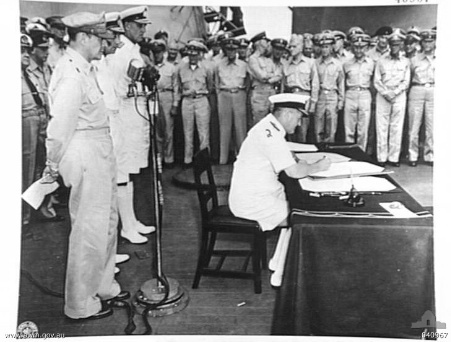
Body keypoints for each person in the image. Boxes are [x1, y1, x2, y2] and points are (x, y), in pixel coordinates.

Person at [43, 12, 128, 320]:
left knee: (106, 222)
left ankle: (103, 286)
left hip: (99, 148)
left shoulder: (85, 67)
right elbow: (59, 127)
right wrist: (52, 166)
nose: (103, 44)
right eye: (99, 38)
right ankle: (80, 303)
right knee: (88, 230)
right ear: (84, 37)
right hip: (85, 151)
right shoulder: (70, 72)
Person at [229, 93, 331, 231]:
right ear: (288, 114)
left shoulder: (268, 127)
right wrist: (318, 166)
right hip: (252, 203)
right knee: (306, 215)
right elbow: (294, 172)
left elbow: (288, 158)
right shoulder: (270, 135)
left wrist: (302, 164)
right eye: (298, 118)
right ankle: (287, 251)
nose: (299, 123)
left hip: (256, 195)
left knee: (301, 203)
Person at [109, 6, 156, 244]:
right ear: (126, 26)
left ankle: (132, 220)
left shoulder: (134, 50)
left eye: (145, 25)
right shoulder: (121, 52)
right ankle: (126, 226)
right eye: (139, 25)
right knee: (123, 173)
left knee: (132, 172)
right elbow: (119, 89)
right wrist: (142, 87)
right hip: (124, 118)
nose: (143, 29)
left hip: (136, 116)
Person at [374, 29, 410, 167]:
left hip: (399, 96)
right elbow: (377, 81)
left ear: (401, 45)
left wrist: (395, 92)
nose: (394, 46)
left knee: (396, 127)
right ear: (389, 44)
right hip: (383, 96)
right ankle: (381, 158)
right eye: (392, 44)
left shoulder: (406, 61)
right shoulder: (381, 61)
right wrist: (386, 93)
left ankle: (393, 158)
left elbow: (406, 81)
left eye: (397, 44)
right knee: (382, 127)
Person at [176, 40, 213, 167]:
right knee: (188, 131)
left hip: (201, 99)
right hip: (187, 101)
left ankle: (205, 161)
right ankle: (188, 160)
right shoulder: (180, 68)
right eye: (190, 55)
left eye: (195, 55)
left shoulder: (206, 68)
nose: (192, 58)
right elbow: (178, 86)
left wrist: (202, 92)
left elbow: (211, 85)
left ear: (199, 55)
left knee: (203, 132)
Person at [214, 38, 248, 164]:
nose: (231, 52)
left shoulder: (244, 65)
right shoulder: (219, 65)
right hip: (224, 95)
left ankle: (242, 158)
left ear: (237, 50)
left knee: (240, 128)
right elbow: (216, 83)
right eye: (228, 49)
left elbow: (248, 83)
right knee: (224, 128)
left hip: (239, 94)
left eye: (233, 49)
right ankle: (223, 159)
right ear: (224, 50)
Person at [282, 33, 319, 143]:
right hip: (290, 97)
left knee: (303, 131)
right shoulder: (286, 64)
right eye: (290, 46)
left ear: (301, 47)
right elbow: (283, 86)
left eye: (294, 46)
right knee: (289, 130)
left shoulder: (310, 63)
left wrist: (313, 103)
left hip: (304, 98)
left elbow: (315, 84)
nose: (291, 49)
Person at [407, 29, 436, 167]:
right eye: (425, 41)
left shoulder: (440, 57)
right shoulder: (415, 59)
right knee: (414, 125)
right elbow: (409, 76)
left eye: (430, 41)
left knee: (432, 125)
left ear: (435, 42)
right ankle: (412, 155)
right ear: (421, 43)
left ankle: (430, 155)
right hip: (417, 88)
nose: (428, 44)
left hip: (433, 89)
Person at [343, 34, 375, 151]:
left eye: (362, 47)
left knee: (363, 129)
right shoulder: (347, 63)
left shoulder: (372, 63)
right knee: (349, 128)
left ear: (367, 48)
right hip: (350, 94)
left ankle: (362, 153)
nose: (359, 50)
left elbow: (373, 82)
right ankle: (350, 153)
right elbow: (343, 81)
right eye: (356, 47)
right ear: (352, 47)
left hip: (365, 94)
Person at [152, 39, 180, 168]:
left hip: (167, 96)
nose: (157, 55)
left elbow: (176, 87)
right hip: (154, 96)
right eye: (154, 52)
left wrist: (175, 104)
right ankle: (159, 158)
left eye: (159, 52)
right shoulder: (150, 66)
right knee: (157, 130)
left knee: (169, 130)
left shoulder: (171, 67)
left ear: (163, 52)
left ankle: (169, 159)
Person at [315, 32, 345, 143]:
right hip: (320, 96)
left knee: (331, 127)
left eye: (326, 47)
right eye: (322, 47)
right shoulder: (316, 63)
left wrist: (341, 101)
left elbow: (341, 83)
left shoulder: (337, 64)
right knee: (318, 126)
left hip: (333, 96)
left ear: (332, 47)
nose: (324, 50)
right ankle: (319, 149)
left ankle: (329, 151)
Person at [248, 31, 281, 125]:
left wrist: (269, 78)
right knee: (259, 123)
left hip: (271, 93)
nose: (267, 44)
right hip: (259, 95)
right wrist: (271, 76)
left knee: (272, 123)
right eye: (265, 41)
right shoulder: (253, 59)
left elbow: (279, 75)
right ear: (259, 43)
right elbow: (261, 76)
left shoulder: (268, 59)